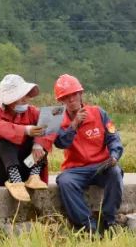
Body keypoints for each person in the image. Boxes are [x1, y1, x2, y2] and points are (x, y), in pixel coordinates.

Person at [52, 74, 125, 233]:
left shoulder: (99, 113)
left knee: (115, 172)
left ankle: (109, 221)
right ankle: (88, 226)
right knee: (65, 182)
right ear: (61, 101)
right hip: (75, 169)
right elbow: (61, 143)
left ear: (80, 94)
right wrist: (74, 125)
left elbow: (113, 137)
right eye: (66, 97)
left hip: (101, 166)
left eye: (74, 94)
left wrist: (114, 156)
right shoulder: (57, 119)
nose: (71, 100)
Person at [0, 74, 53, 202]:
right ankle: (14, 179)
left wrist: (38, 144)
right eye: (19, 96)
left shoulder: (32, 112)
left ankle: (34, 175)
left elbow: (50, 122)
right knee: (2, 136)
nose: (24, 99)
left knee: (41, 134)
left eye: (24, 95)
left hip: (25, 168)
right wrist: (25, 130)